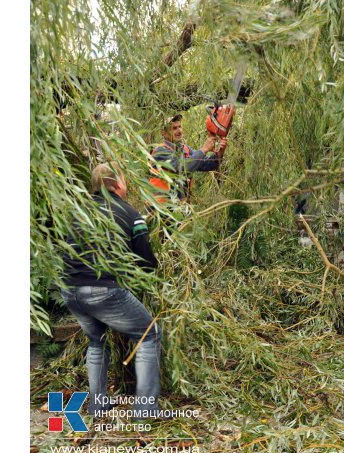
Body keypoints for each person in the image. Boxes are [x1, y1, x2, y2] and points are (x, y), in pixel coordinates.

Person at [62, 162, 163, 421]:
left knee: (96, 341)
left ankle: (97, 405)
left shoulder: (78, 211)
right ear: (117, 183)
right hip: (102, 290)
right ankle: (145, 410)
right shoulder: (130, 213)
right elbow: (145, 263)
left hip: (70, 291)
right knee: (148, 334)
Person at [150, 114, 228, 202]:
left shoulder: (185, 149)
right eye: (174, 128)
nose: (179, 131)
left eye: (180, 127)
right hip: (162, 209)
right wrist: (204, 149)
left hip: (180, 206)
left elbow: (205, 164)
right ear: (163, 133)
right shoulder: (160, 151)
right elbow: (182, 168)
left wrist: (219, 154)